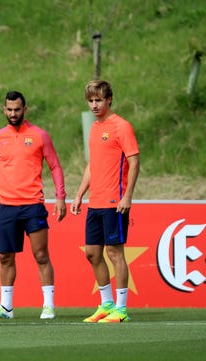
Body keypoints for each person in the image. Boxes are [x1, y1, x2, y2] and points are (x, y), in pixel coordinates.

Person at [0, 91, 66, 320]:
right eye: (9, 109)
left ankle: (48, 306)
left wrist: (60, 196)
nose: (13, 113)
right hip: (7, 206)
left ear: (25, 110)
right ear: (4, 110)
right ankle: (6, 308)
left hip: (32, 206)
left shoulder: (39, 136)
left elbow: (55, 166)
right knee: (5, 257)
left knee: (41, 255)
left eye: (17, 109)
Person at [71, 79, 140, 323]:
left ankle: (121, 310)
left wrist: (127, 196)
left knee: (115, 252)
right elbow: (93, 164)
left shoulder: (122, 126)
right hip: (95, 202)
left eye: (98, 99)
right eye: (90, 100)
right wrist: (80, 193)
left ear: (109, 99)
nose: (94, 105)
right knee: (92, 253)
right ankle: (106, 304)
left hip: (114, 201)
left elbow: (134, 161)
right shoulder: (95, 128)